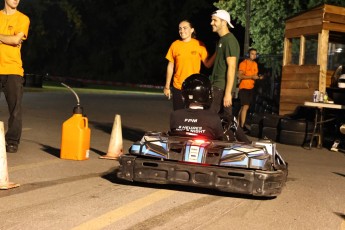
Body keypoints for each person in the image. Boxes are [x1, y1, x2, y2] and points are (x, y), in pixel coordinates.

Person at [170, 74, 250, 143]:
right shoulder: (214, 118)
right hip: (209, 158)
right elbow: (221, 139)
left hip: (179, 155)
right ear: (208, 95)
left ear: (184, 95)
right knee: (230, 122)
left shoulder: (175, 115)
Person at [164, 20, 215, 111]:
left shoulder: (199, 45)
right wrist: (167, 87)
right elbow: (170, 66)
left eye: (185, 28)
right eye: (180, 28)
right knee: (179, 115)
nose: (182, 31)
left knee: (192, 117)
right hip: (178, 87)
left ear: (192, 30)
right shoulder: (175, 45)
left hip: (194, 88)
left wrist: (217, 52)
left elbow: (207, 64)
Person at [0, 0, 30, 153]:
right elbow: (9, 39)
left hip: (13, 69)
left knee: (15, 110)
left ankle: (12, 141)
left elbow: (15, 39)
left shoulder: (22, 19)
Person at [209, 9, 240, 122]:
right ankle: (229, 138)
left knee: (214, 118)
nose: (211, 23)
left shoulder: (230, 41)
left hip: (222, 87)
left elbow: (232, 68)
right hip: (217, 85)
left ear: (224, 22)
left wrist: (227, 93)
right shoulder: (222, 40)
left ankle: (231, 138)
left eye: (214, 20)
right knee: (223, 119)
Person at [237, 48, 263, 131]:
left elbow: (255, 75)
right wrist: (251, 77)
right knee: (245, 106)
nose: (254, 55)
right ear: (248, 54)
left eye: (255, 54)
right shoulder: (243, 63)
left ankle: (238, 125)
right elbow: (240, 76)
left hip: (251, 87)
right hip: (244, 87)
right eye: (252, 53)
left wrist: (258, 77)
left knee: (243, 107)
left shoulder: (255, 64)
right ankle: (242, 126)